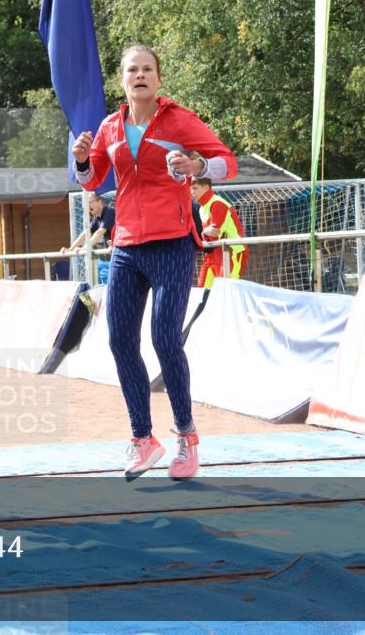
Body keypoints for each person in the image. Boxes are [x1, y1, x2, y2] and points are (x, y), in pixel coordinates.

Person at [72, 45, 236, 480]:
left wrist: (198, 164)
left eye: (147, 69)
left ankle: (186, 436)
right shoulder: (110, 127)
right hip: (126, 246)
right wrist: (82, 159)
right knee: (119, 341)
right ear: (122, 81)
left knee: (165, 339)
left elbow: (228, 163)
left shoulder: (180, 120)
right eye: (132, 70)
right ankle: (142, 438)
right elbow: (93, 179)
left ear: (158, 80)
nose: (140, 75)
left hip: (172, 243)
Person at [192, 178, 246, 288]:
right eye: (190, 189)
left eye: (195, 188)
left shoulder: (218, 203)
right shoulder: (202, 208)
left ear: (206, 187)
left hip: (231, 252)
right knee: (202, 290)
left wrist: (203, 233)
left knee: (226, 290)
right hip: (212, 253)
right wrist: (204, 233)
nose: (192, 192)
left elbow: (214, 234)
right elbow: (208, 233)